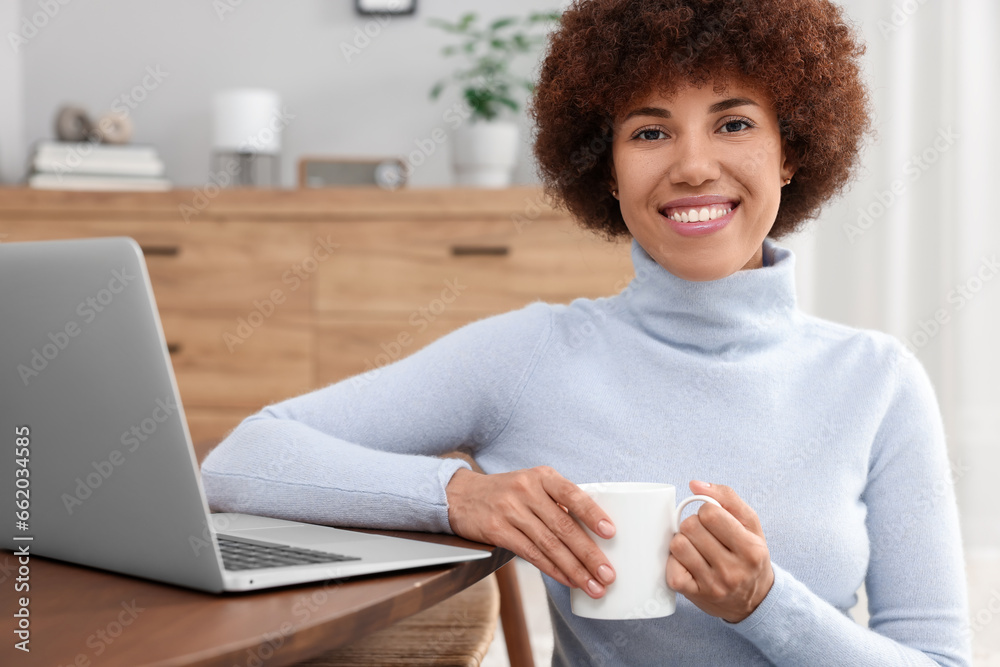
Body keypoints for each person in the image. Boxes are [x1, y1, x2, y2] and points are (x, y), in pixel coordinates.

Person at [200, 0, 971, 664]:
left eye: (733, 122)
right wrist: (457, 496)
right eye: (649, 132)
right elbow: (242, 461)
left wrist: (767, 602)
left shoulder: (879, 380)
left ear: (791, 150)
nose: (694, 165)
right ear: (605, 169)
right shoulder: (531, 355)